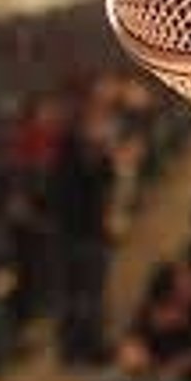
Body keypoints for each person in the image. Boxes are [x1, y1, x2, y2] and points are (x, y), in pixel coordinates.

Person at [51, 94, 117, 365]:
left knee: (82, 296)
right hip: (81, 235)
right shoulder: (75, 156)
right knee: (84, 296)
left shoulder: (75, 154)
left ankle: (79, 347)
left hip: (80, 234)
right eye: (96, 120)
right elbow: (94, 185)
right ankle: (84, 348)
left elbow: (107, 178)